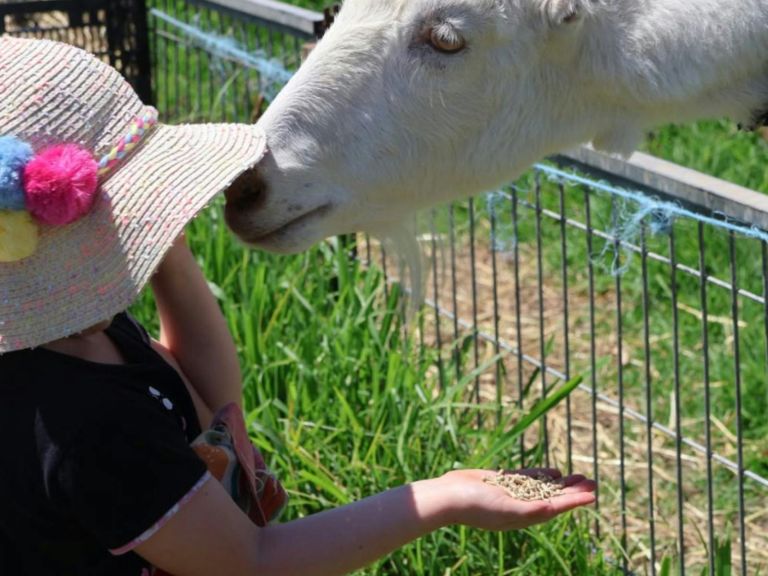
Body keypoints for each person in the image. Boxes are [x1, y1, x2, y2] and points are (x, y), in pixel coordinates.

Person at [0, 37, 596, 576]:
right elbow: (254, 562)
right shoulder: (89, 429)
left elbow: (211, 401)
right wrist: (443, 497)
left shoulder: (74, 337)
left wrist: (168, 255)